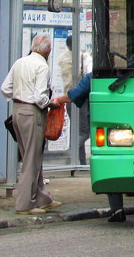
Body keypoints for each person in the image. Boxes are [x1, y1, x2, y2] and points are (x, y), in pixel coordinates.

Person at [52, 73, 126, 223]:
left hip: (105, 124)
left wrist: (58, 100)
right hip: (129, 121)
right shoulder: (130, 74)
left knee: (110, 163)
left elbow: (76, 94)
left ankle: (117, 208)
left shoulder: (95, 76)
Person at [1, 33, 60, 215]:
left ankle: (42, 198)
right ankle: (25, 204)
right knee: (30, 160)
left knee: (31, 155)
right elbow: (40, 97)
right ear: (48, 51)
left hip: (17, 110)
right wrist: (51, 103)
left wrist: (19, 95)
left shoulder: (20, 62)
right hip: (33, 112)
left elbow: (5, 88)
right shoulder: (42, 66)